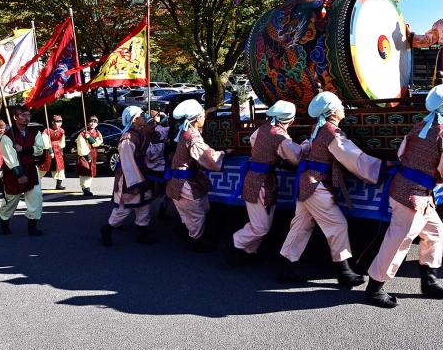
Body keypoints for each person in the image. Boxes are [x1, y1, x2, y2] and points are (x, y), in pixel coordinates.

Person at [365, 85, 443, 307]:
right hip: (414, 198)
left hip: (407, 191)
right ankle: (374, 289)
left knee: (435, 231)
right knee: (398, 240)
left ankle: (430, 281)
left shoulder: (419, 126)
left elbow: (401, 154)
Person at [278, 91, 381, 287]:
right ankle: (344, 272)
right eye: (340, 106)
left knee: (301, 225)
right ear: (333, 111)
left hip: (306, 182)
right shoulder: (331, 132)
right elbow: (352, 156)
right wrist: (380, 167)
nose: (343, 108)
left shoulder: (318, 127)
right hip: (315, 184)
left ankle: (286, 266)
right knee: (337, 224)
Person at [228, 100, 304, 266]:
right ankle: (237, 242)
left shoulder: (261, 128)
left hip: (256, 178)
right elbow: (295, 157)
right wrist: (305, 146)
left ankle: (249, 252)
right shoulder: (280, 136)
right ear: (291, 121)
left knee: (263, 221)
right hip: (260, 182)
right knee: (261, 225)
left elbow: (253, 142)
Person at [165, 99, 226, 251]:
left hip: (181, 179)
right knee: (197, 214)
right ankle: (196, 242)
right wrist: (223, 154)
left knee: (199, 209)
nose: (204, 118)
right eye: (203, 116)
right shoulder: (192, 136)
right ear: (197, 118)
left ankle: (188, 233)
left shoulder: (187, 132)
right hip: (183, 182)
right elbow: (207, 156)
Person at [100, 106, 157, 246]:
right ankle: (107, 229)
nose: (145, 116)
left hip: (140, 172)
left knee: (144, 203)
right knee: (125, 207)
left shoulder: (140, 134)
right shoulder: (127, 139)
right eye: (142, 115)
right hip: (129, 176)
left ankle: (142, 234)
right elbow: (127, 163)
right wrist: (135, 183)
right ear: (135, 119)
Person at [0, 105, 46, 236]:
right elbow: (10, 157)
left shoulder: (34, 132)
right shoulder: (7, 137)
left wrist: (24, 149)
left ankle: (32, 226)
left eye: (28, 115)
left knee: (36, 198)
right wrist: (19, 174)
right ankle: (4, 223)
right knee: (11, 200)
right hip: (14, 172)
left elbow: (39, 149)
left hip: (31, 170)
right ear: (15, 117)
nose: (26, 118)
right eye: (23, 115)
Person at [75, 116, 102, 196]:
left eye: (95, 121)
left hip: (93, 153)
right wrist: (87, 156)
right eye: (91, 121)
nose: (93, 123)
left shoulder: (97, 133)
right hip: (84, 154)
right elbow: (81, 145)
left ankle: (87, 187)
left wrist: (89, 138)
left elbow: (97, 143)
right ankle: (86, 188)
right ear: (87, 123)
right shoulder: (82, 133)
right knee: (85, 170)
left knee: (90, 171)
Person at [39, 114, 67, 190]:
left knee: (59, 167)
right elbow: (45, 142)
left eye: (60, 121)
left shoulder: (61, 131)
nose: (59, 123)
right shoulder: (46, 131)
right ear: (52, 122)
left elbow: (62, 142)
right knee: (44, 166)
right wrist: (50, 151)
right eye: (57, 122)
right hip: (48, 150)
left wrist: (61, 150)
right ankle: (35, 183)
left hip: (58, 150)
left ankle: (59, 184)